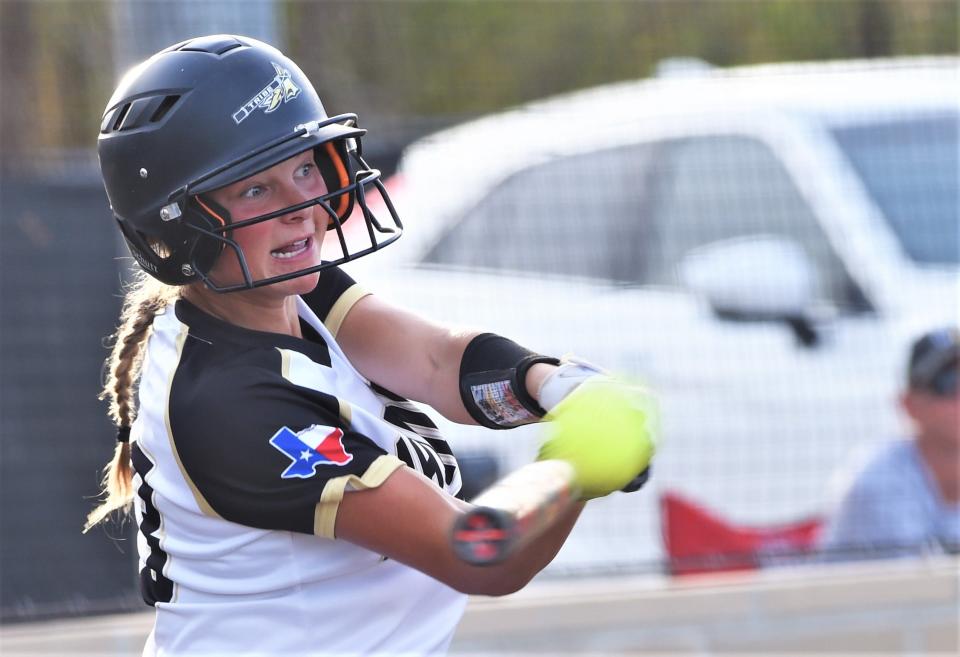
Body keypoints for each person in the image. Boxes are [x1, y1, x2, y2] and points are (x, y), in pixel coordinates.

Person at [85, 35, 656, 656]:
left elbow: (438, 363)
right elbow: (477, 552)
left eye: (304, 167)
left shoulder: (289, 288)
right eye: (255, 189)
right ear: (179, 225)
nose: (301, 207)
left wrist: (553, 384)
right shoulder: (227, 403)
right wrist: (576, 464)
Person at [819, 326, 960, 561]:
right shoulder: (876, 483)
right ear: (909, 404)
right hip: (864, 597)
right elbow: (915, 592)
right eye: (949, 384)